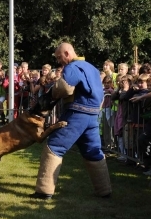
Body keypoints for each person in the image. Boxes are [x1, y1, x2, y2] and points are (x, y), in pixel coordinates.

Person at [31, 43, 112, 199]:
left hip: (76, 113)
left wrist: (52, 93)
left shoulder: (73, 67)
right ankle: (104, 191)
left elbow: (65, 88)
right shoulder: (93, 68)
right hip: (93, 115)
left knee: (54, 147)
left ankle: (44, 191)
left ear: (67, 53)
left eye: (59, 57)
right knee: (93, 151)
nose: (59, 61)